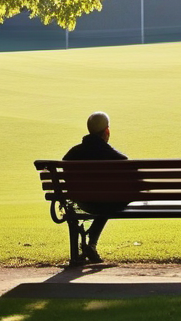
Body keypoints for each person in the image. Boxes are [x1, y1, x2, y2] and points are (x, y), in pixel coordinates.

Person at [63, 111, 128, 264]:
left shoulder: (72, 153)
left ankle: (91, 243)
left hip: (82, 202)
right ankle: (91, 241)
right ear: (106, 131)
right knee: (111, 200)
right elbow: (126, 163)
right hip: (105, 203)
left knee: (106, 200)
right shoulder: (109, 153)